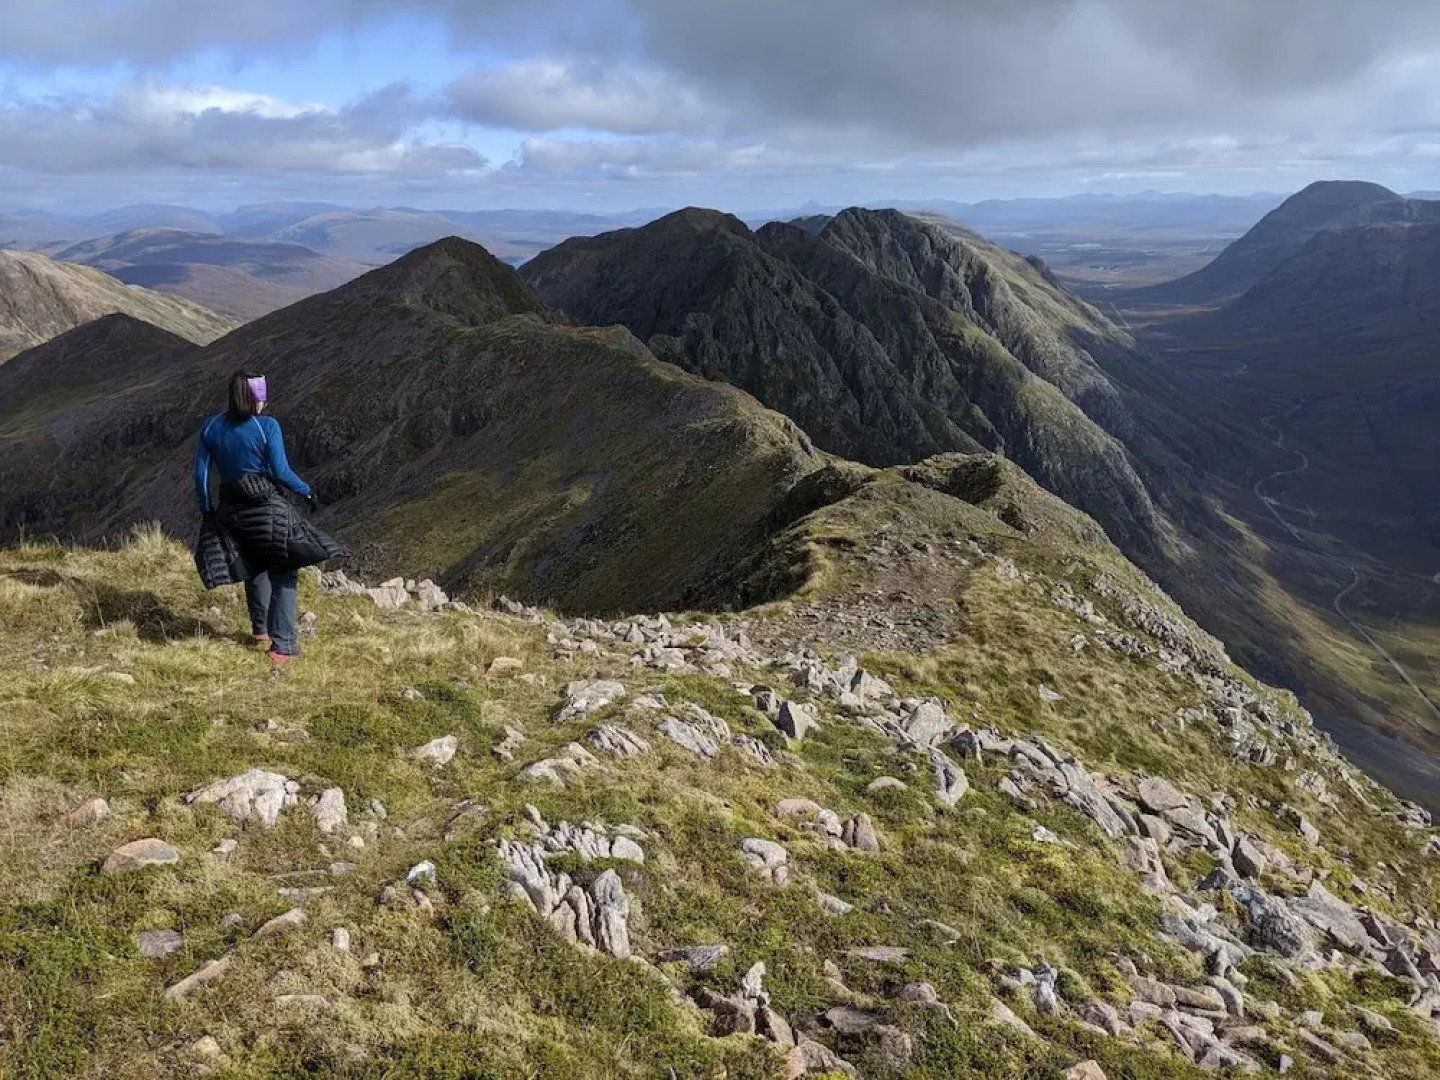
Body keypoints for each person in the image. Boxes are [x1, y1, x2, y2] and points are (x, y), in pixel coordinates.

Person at [193, 371, 344, 664]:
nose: (266, 400)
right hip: (265, 504)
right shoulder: (266, 427)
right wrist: (307, 492)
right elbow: (280, 471)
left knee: (253, 563)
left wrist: (207, 509)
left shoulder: (210, 426)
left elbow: (201, 475)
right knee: (284, 571)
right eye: (262, 395)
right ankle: (282, 646)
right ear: (253, 397)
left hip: (230, 508)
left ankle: (260, 630)